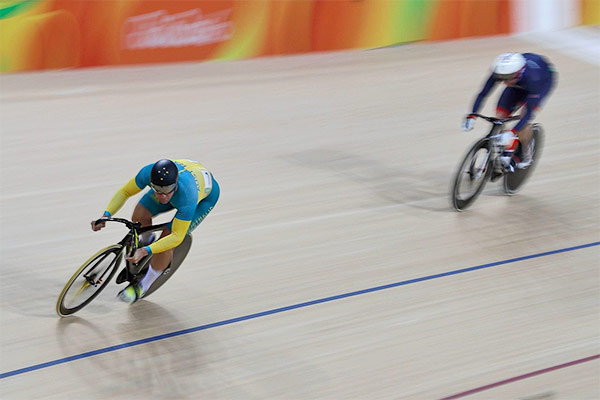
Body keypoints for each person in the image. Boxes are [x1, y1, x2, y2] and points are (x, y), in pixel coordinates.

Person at [91, 159, 220, 303]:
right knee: (139, 214)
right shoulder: (148, 172)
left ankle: (143, 286)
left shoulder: (188, 195)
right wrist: (106, 215)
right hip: (182, 183)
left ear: (175, 183)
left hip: (203, 199)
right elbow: (125, 191)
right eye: (158, 190)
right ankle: (147, 239)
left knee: (167, 240)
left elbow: (177, 237)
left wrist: (146, 251)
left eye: (166, 191)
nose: (163, 197)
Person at [462, 52, 556, 169]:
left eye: (507, 78)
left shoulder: (533, 78)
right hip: (518, 85)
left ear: (518, 73)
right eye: (501, 78)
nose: (503, 81)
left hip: (543, 81)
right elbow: (483, 94)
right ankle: (506, 149)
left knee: (523, 119)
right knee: (500, 117)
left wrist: (512, 132)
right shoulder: (501, 72)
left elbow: (528, 114)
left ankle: (525, 153)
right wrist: (472, 115)